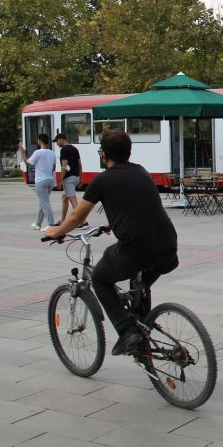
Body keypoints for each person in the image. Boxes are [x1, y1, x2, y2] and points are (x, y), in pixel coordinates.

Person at [46, 130, 179, 356]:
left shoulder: (102, 180)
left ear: (103, 154)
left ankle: (127, 331)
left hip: (136, 248)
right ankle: (143, 330)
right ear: (129, 152)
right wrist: (112, 224)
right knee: (140, 286)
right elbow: (138, 206)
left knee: (99, 278)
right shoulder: (141, 171)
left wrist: (55, 232)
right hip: (168, 246)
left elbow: (77, 217)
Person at [17, 134, 57, 230]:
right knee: (42, 202)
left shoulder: (38, 152)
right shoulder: (52, 153)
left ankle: (51, 224)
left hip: (40, 181)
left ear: (40, 141)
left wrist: (23, 153)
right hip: (50, 180)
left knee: (45, 203)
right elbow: (54, 167)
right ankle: (38, 223)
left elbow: (27, 163)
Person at [54, 133, 83, 224]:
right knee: (64, 198)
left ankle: (83, 222)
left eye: (57, 141)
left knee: (73, 201)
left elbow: (64, 166)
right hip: (76, 177)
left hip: (69, 179)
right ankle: (62, 221)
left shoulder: (64, 150)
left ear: (61, 139)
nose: (56, 143)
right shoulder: (75, 149)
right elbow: (79, 165)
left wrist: (60, 180)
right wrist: (81, 178)